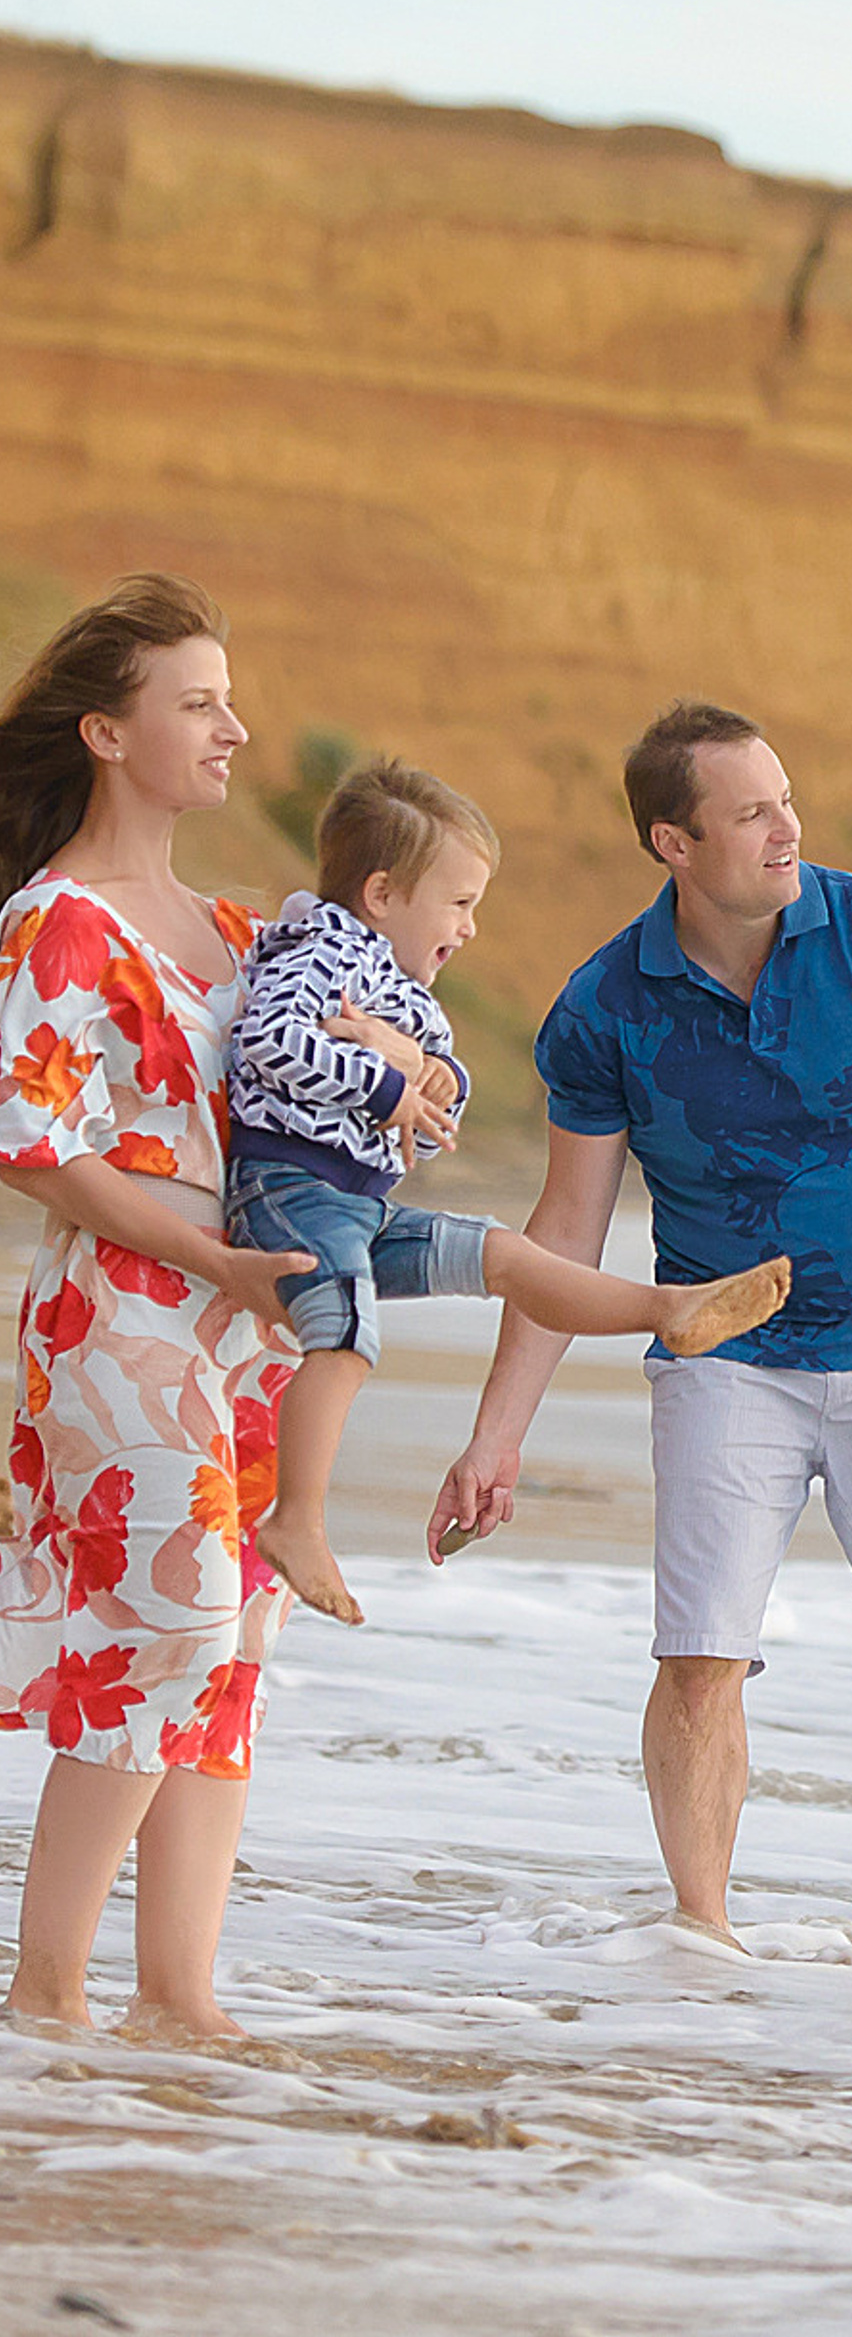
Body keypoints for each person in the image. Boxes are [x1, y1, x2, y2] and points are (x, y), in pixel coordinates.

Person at [429, 702, 852, 1955]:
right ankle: (699, 1938)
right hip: (727, 1360)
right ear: (674, 840)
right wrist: (493, 1440)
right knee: (701, 1656)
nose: (788, 827)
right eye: (753, 810)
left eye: (787, 798)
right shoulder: (606, 1005)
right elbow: (565, 1233)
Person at [226, 757, 790, 1629]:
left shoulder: (394, 981)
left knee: (506, 1256)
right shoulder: (320, 953)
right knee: (342, 1333)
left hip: (356, 1203)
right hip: (290, 1190)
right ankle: (297, 1520)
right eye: (458, 903)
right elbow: (267, 1041)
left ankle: (667, 1307)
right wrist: (386, 1088)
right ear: (382, 894)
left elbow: (446, 1070)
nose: (473, 927)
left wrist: (423, 1073)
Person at [0, 574, 327, 2036]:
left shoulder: (242, 933)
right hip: (123, 1329)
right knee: (167, 1636)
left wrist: (413, 1089)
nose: (233, 729)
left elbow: (319, 1114)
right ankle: (48, 1991)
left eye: (227, 698)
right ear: (106, 734)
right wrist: (213, 1266)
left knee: (232, 1653)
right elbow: (33, 1148)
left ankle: (179, 2001)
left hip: (246, 1334)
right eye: (195, 703)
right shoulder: (55, 923)